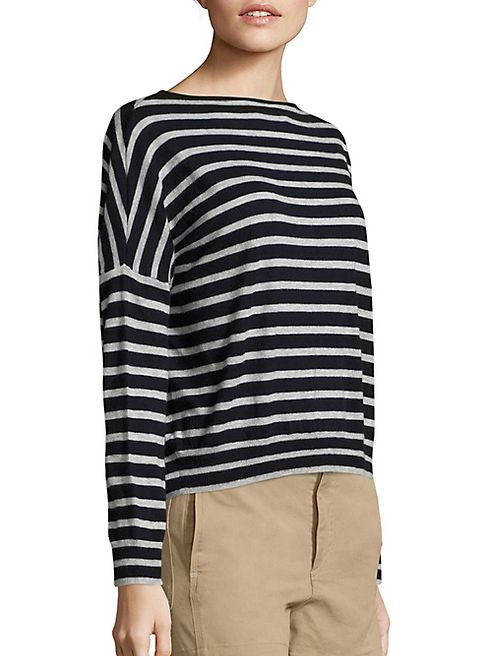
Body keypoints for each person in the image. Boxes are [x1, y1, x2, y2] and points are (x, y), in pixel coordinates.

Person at [97, 1, 391, 654]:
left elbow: (352, 350)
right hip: (225, 513)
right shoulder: (149, 133)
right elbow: (132, 349)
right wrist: (137, 567)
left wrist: (369, 565)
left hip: (345, 513)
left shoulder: (326, 144)